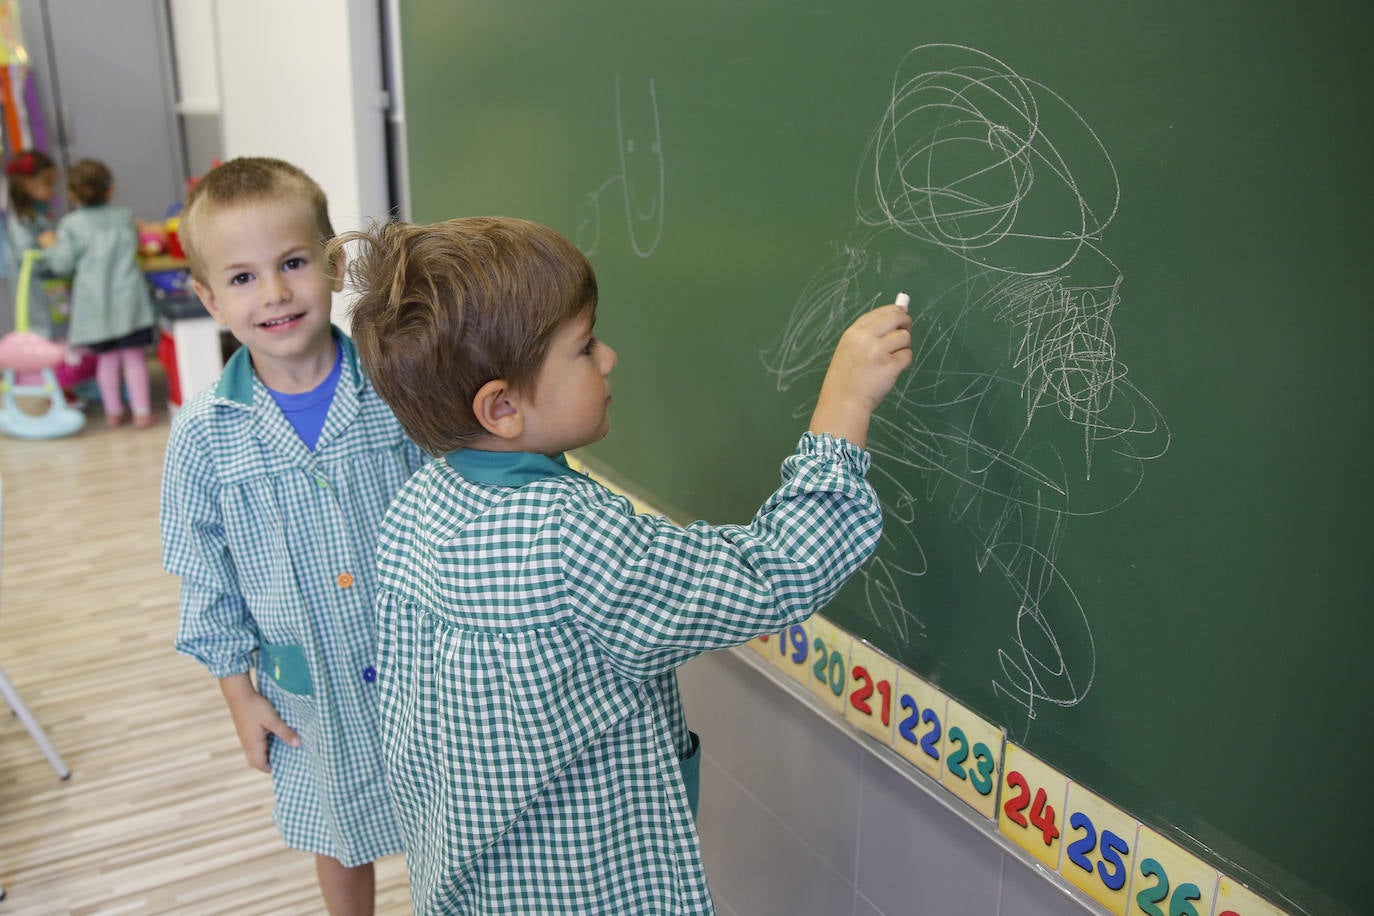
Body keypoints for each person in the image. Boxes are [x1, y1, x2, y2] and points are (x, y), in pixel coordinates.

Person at [335, 215, 913, 914]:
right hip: (584, 893)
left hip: (472, 884)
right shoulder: (571, 539)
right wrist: (844, 404)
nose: (608, 359)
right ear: (503, 407)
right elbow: (773, 572)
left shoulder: (421, 502)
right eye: (583, 348)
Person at [159, 157, 428, 915]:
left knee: (447, 819)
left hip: (421, 667)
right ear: (210, 298)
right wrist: (236, 694)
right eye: (241, 279)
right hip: (308, 690)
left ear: (335, 266)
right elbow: (203, 573)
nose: (273, 293)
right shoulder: (205, 435)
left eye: (293, 263)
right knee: (338, 834)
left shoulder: (394, 389)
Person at [39, 158, 157, 427]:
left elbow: (61, 264)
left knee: (107, 360)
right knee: (134, 358)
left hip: (96, 310)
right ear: (110, 189)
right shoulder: (124, 217)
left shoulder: (71, 225)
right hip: (129, 305)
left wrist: (50, 246)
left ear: (72, 193)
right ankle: (141, 412)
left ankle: (113, 412)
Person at [4, 149, 59, 338]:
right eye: (48, 183)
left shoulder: (41, 215)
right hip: (33, 293)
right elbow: (27, 257)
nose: (53, 190)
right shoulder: (21, 222)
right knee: (39, 334)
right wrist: (53, 251)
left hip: (49, 291)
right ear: (27, 184)